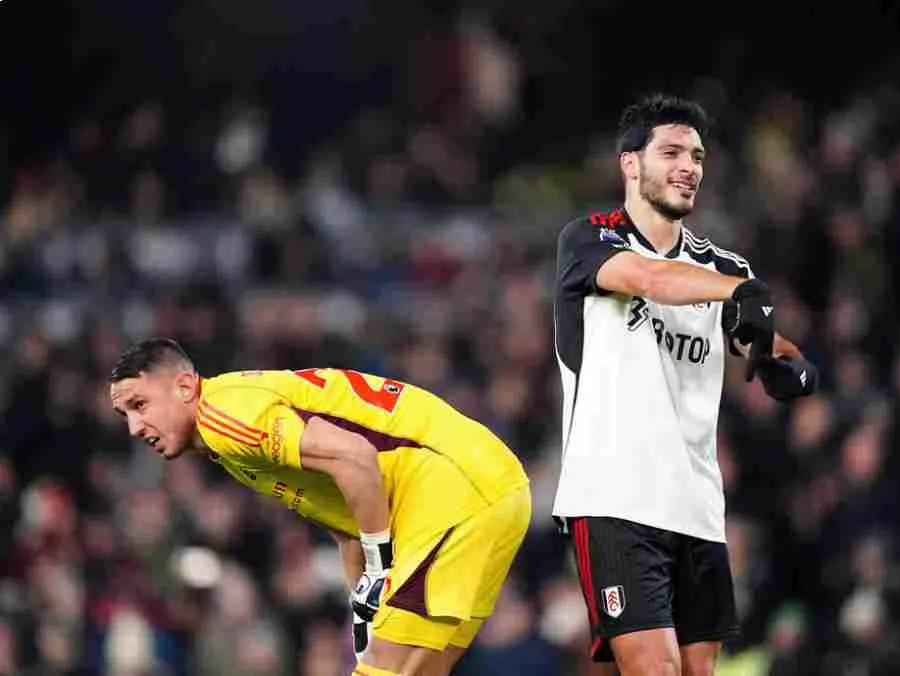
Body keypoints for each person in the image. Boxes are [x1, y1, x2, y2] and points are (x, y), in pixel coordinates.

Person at [551, 93, 818, 676]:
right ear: (630, 163)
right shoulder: (590, 239)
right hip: (614, 497)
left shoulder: (724, 266)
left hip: (697, 503)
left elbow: (764, 341)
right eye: (670, 151)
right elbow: (647, 277)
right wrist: (735, 292)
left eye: (697, 156)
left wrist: (787, 365)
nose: (689, 167)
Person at [108, 338, 532, 676]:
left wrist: (380, 566)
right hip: (492, 488)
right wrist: (362, 599)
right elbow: (345, 514)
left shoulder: (223, 416)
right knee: (417, 670)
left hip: (452, 489)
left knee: (383, 668)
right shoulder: (232, 432)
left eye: (139, 405)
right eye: (123, 413)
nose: (132, 427)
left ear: (184, 387)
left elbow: (356, 457)